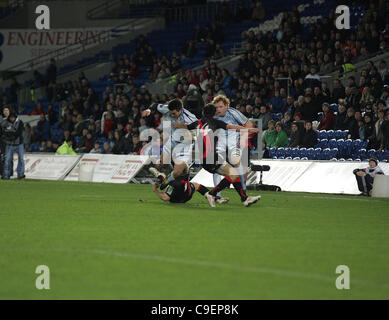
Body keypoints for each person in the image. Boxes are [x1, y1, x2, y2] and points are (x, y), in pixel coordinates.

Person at [173, 103, 260, 207]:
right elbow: (232, 127)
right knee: (234, 174)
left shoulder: (198, 122)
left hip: (203, 160)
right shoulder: (215, 122)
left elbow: (186, 126)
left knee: (233, 175)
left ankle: (245, 199)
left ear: (203, 113)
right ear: (214, 113)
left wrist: (178, 125)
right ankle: (212, 193)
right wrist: (249, 129)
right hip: (211, 157)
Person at [141, 98, 197, 188]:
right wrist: (149, 110)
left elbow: (197, 132)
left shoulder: (190, 118)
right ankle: (163, 176)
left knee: (178, 172)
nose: (171, 115)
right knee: (162, 163)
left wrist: (182, 126)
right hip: (172, 140)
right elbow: (155, 105)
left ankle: (167, 181)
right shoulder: (168, 109)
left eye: (174, 113)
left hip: (184, 145)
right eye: (170, 113)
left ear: (180, 110)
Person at [149, 167, 214, 206]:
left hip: (176, 199)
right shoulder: (190, 185)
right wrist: (208, 195)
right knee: (195, 185)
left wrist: (155, 190)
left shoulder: (174, 184)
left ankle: (160, 175)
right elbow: (200, 187)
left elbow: (165, 198)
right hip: (186, 197)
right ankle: (160, 175)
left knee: (167, 185)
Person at [0, 111, 25, 179]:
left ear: (15, 117)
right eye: (11, 117)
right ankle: (6, 175)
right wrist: (9, 136)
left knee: (21, 159)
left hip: (19, 144)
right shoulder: (5, 122)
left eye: (13, 117)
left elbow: (18, 133)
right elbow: (3, 132)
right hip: (9, 144)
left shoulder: (20, 122)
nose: (12, 119)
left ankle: (20, 174)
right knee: (7, 160)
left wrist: (10, 135)